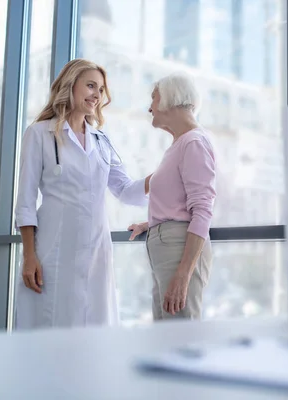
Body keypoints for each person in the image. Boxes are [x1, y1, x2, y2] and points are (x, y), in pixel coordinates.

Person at [14, 58, 151, 330]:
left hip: (97, 248)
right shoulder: (39, 134)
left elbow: (125, 190)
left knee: (94, 324)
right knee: (51, 324)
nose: (97, 95)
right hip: (54, 248)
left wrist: (162, 177)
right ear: (70, 85)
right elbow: (26, 202)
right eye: (90, 86)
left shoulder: (102, 140)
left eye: (100, 90)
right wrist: (30, 256)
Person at [128, 73, 216, 320]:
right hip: (168, 247)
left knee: (181, 339)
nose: (150, 107)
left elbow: (202, 210)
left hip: (180, 250)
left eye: (154, 99)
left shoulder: (194, 143)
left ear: (171, 99)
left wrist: (184, 274)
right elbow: (180, 202)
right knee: (166, 338)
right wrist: (152, 223)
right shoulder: (180, 145)